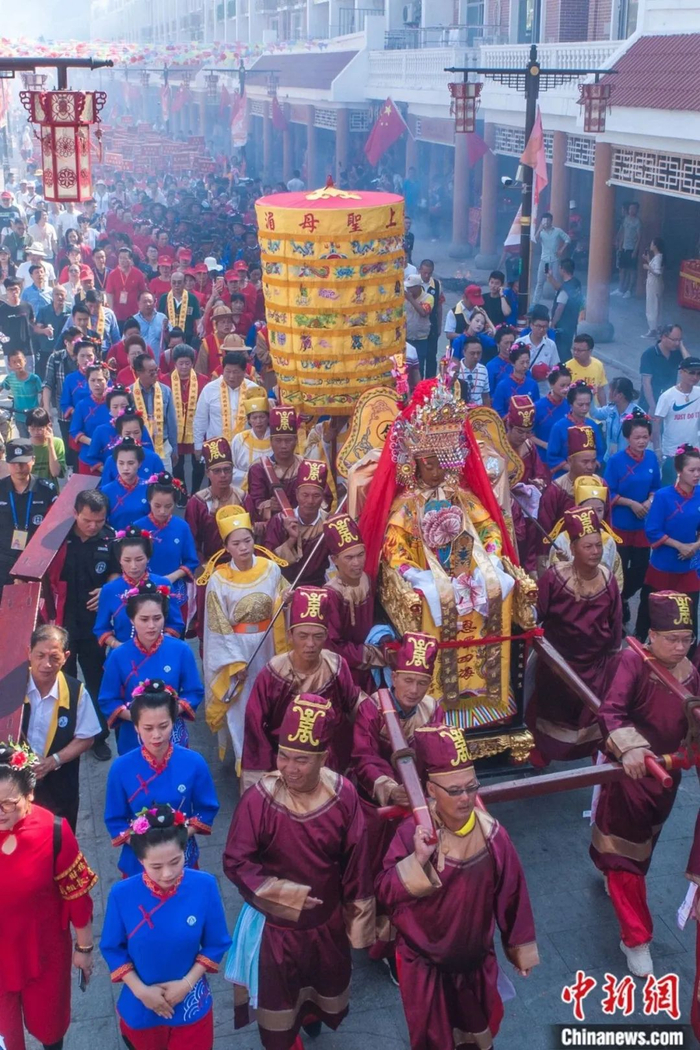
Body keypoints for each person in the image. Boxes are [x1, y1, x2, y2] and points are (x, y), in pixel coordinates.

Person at [223, 695, 374, 1049]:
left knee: (321, 985)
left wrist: (359, 922)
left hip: (326, 923)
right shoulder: (260, 799)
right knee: (278, 1011)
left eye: (302, 760)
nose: (290, 768)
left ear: (323, 759)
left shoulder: (343, 795)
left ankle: (311, 1017)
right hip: (277, 931)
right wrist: (284, 894)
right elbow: (236, 860)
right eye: (284, 756)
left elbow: (357, 862)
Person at [376, 726, 538, 1050]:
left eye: (470, 787)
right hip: (423, 964)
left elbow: (512, 891)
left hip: (475, 959)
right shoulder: (412, 833)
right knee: (432, 1038)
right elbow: (384, 891)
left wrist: (519, 948)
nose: (465, 798)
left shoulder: (492, 834)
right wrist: (417, 862)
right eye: (454, 790)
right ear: (430, 790)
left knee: (477, 1034)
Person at [591, 591, 698, 977]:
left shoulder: (691, 670)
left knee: (642, 847)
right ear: (652, 634)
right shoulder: (632, 661)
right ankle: (636, 938)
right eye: (672, 638)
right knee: (626, 856)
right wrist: (631, 749)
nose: (680, 646)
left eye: (687, 638)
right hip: (631, 777)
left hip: (668, 778)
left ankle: (612, 873)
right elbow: (611, 711)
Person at [100, 802, 231, 1050]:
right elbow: (112, 948)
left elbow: (216, 943)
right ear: (140, 860)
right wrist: (141, 991)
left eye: (176, 861)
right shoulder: (122, 893)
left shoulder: (204, 885)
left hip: (191, 1002)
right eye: (156, 867)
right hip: (141, 1006)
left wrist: (187, 984)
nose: (167, 874)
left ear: (185, 851)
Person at [0, 740, 97, 1050]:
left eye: (8, 803)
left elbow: (77, 895)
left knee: (50, 1031)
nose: (0, 812)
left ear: (29, 794)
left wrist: (84, 947)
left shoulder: (54, 832)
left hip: (44, 951)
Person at [352, 632, 442, 960]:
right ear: (393, 677)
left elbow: (439, 756)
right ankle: (378, 941)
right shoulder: (372, 708)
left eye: (421, 683)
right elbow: (363, 757)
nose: (413, 690)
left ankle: (406, 941)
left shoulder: (432, 709)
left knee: (417, 874)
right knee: (375, 871)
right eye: (407, 680)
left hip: (419, 810)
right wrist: (391, 790)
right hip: (377, 807)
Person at [241, 586, 364, 789]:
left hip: (328, 763)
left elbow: (353, 702)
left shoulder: (335, 665)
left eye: (318, 636)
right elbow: (255, 726)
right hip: (284, 765)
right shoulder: (273, 673)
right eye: (303, 635)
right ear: (290, 635)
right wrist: (261, 776)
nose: (310, 644)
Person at [528, 506, 622, 764]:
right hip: (558, 663)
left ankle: (596, 755)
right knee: (552, 710)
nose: (595, 552)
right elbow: (538, 614)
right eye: (588, 546)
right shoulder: (554, 578)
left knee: (592, 710)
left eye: (597, 546)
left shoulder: (607, 578)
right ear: (573, 548)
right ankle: (543, 753)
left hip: (595, 663)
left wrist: (614, 658)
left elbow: (615, 621)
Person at [202, 502, 288, 761]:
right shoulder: (219, 579)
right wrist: (233, 661)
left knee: (270, 698)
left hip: (268, 643)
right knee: (241, 706)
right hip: (237, 648)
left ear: (254, 539)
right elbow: (217, 624)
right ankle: (246, 759)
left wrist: (287, 599)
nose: (243, 548)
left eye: (247, 541)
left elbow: (280, 598)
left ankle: (272, 753)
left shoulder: (271, 568)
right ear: (226, 547)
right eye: (236, 543)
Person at [104, 682, 219, 877]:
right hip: (138, 863)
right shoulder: (120, 768)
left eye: (163, 726)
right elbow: (115, 820)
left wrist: (178, 837)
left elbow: (205, 810)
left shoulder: (194, 762)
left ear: (173, 722)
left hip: (183, 858)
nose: (156, 735)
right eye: (148, 728)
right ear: (136, 727)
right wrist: (146, 845)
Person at [45, 488, 114, 761]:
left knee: (96, 681)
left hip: (95, 626)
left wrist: (107, 589)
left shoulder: (110, 537)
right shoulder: (58, 537)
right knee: (64, 683)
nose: (93, 526)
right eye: (88, 520)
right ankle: (67, 736)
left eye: (99, 520)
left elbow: (119, 570)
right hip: (61, 623)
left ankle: (98, 737)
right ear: (75, 513)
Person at [99, 580, 203, 755]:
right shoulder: (118, 656)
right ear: (132, 619)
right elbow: (108, 700)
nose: (151, 625)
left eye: (157, 618)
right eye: (144, 619)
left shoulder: (180, 650)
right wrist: (142, 719)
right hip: (133, 735)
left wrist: (168, 714)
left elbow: (194, 692)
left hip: (172, 731)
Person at [21, 624, 102, 830]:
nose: (46, 664)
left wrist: (52, 761)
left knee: (58, 841)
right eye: (40, 655)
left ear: (66, 656)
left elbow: (87, 737)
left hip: (59, 788)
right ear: (28, 652)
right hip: (14, 788)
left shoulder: (76, 692)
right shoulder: (10, 686)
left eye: (54, 657)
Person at [604, 410, 660, 626]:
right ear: (627, 437)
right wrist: (631, 503)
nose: (642, 441)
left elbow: (656, 487)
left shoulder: (652, 458)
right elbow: (609, 491)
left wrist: (648, 502)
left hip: (642, 525)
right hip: (620, 524)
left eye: (645, 437)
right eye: (637, 437)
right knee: (618, 567)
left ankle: (622, 598)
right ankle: (616, 608)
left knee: (640, 569)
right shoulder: (617, 461)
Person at [639, 443, 700, 641]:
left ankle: (689, 664)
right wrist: (680, 545)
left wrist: (694, 546)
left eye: (699, 470)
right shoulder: (664, 496)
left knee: (689, 619)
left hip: (690, 567)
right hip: (663, 565)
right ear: (678, 471)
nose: (697, 474)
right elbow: (653, 530)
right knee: (653, 614)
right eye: (692, 470)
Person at [94, 525, 184, 651]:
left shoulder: (164, 584)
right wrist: (118, 646)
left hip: (159, 651)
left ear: (148, 558)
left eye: (139, 559)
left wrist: (160, 643)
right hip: (123, 654)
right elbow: (101, 628)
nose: (133, 566)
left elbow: (175, 623)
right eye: (127, 560)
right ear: (119, 560)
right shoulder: (109, 589)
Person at [323, 513, 387, 688]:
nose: (357, 563)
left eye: (360, 555)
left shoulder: (367, 579)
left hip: (371, 669)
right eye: (349, 558)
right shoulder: (331, 594)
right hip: (346, 672)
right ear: (334, 560)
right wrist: (375, 655)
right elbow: (333, 646)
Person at [134, 472, 198, 626]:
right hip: (144, 592)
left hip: (174, 590)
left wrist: (170, 578)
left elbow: (191, 561)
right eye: (157, 506)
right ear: (149, 501)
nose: (162, 511)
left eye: (168, 506)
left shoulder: (181, 527)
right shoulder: (137, 527)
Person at [537, 425, 604, 570]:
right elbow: (544, 528)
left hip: (594, 551)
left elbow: (606, 521)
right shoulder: (556, 489)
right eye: (585, 462)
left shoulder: (600, 484)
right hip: (563, 552)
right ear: (570, 461)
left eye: (593, 461)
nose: (590, 466)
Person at [0, 438, 57, 598]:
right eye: (14, 463)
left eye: (23, 462)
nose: (19, 467)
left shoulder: (46, 489)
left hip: (36, 562)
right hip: (4, 561)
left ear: (33, 460)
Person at [264, 459, 331, 588]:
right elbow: (268, 562)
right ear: (296, 494)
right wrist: (292, 539)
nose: (310, 501)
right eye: (305, 495)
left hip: (317, 586)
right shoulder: (279, 521)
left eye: (316, 496)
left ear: (322, 497)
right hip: (283, 586)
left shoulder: (329, 524)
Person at [185, 437, 246, 564]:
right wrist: (202, 565)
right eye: (217, 471)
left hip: (241, 562)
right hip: (209, 563)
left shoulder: (243, 498)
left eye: (227, 470)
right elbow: (191, 540)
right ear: (207, 473)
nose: (223, 475)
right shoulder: (197, 502)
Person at [506, 395, 550, 572]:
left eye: (528, 432)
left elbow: (540, 472)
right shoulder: (496, 446)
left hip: (526, 507)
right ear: (509, 426)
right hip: (505, 507)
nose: (524, 436)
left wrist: (538, 482)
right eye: (519, 431)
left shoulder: (529, 447)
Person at [161, 344, 208, 491]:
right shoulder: (164, 380)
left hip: (197, 429)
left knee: (198, 463)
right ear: (174, 363)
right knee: (177, 464)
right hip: (175, 429)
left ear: (192, 363)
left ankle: (195, 492)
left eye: (188, 363)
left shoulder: (203, 381)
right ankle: (182, 492)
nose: (184, 367)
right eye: (180, 363)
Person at [193, 351, 259, 454]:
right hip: (216, 446)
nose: (231, 376)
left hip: (246, 447)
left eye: (236, 372)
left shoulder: (254, 389)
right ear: (223, 370)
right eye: (228, 371)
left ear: (244, 371)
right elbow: (200, 419)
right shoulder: (210, 389)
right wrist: (198, 445)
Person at [652, 356, 700, 484]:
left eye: (698, 373)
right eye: (691, 373)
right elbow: (656, 423)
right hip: (672, 454)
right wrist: (657, 449)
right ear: (681, 372)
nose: (695, 377)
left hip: (694, 453)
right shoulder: (668, 396)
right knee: (671, 489)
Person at [546, 381, 606, 476]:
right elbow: (552, 456)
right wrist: (573, 469)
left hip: (588, 475)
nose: (584, 408)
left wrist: (593, 464)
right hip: (564, 476)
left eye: (587, 404)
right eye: (580, 405)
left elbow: (600, 452)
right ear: (570, 404)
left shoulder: (593, 426)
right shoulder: (559, 427)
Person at [131, 353, 179, 469]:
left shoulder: (165, 391)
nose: (155, 374)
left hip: (162, 446)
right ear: (139, 373)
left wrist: (174, 449)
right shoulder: (129, 393)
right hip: (138, 448)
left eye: (156, 370)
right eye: (151, 372)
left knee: (165, 483)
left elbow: (172, 423)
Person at [100, 412, 163, 486]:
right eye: (127, 434)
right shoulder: (111, 460)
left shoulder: (153, 458)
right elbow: (104, 490)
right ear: (120, 434)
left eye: (136, 433)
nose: (132, 437)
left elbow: (161, 488)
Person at [102, 437, 151, 531]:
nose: (125, 468)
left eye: (131, 463)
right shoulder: (106, 491)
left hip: (144, 540)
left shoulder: (149, 487)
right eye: (121, 463)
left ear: (140, 463)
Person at [590, 376, 642, 462]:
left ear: (619, 395)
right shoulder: (610, 409)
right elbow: (595, 413)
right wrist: (590, 396)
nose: (608, 392)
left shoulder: (637, 414)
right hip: (609, 459)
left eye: (610, 390)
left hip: (627, 461)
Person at [639, 323, 687, 414]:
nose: (677, 343)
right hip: (649, 403)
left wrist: (682, 346)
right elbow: (646, 383)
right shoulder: (649, 354)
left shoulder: (676, 353)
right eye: (674, 340)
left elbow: (690, 365)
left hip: (668, 401)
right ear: (663, 337)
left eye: (679, 340)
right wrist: (652, 406)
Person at [229, 389, 271, 489]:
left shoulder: (275, 438)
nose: (258, 421)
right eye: (254, 418)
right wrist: (252, 477)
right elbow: (231, 467)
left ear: (268, 418)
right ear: (248, 420)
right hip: (243, 486)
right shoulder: (240, 439)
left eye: (262, 417)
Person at [532, 211, 570, 305]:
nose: (546, 222)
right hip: (544, 260)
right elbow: (535, 240)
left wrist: (561, 250)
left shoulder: (557, 231)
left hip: (554, 260)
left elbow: (567, 239)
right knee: (540, 282)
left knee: (556, 281)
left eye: (548, 220)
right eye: (544, 221)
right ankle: (535, 303)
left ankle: (558, 302)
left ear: (551, 221)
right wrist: (539, 228)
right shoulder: (541, 232)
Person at [549, 257, 583, 362]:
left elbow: (560, 307)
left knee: (562, 351)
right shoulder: (576, 283)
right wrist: (550, 278)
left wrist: (553, 323)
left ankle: (566, 370)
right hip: (572, 321)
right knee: (567, 346)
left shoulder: (565, 289)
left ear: (562, 270)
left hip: (563, 324)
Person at [492, 343, 539, 417]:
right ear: (513, 363)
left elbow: (536, 407)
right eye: (522, 362)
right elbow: (497, 410)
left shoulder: (533, 384)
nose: (525, 366)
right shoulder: (502, 385)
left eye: (527, 362)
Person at [105, 246, 148, 326]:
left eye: (125, 258)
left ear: (131, 260)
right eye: (120, 258)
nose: (122, 260)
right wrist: (111, 312)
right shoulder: (112, 274)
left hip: (134, 314)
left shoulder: (138, 274)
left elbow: (143, 292)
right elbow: (109, 294)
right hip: (118, 315)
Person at [157, 269, 201, 345]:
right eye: (174, 282)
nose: (176, 285)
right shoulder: (164, 298)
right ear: (170, 283)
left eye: (179, 282)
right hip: (168, 339)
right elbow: (159, 319)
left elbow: (197, 320)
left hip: (188, 339)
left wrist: (199, 333)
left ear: (184, 283)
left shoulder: (192, 298)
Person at [516, 305, 559, 382]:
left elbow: (555, 367)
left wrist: (548, 373)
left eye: (545, 327)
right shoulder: (520, 342)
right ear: (531, 325)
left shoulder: (551, 345)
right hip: (523, 384)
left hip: (543, 388)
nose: (542, 329)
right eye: (538, 326)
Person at [566, 334, 608, 406]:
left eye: (579, 350)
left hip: (593, 414)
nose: (575, 353)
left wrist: (604, 411)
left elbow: (600, 390)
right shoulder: (567, 367)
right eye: (574, 349)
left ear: (590, 351)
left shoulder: (598, 365)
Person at [448, 335, 490, 406]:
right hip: (459, 410)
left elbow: (485, 395)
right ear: (464, 352)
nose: (476, 356)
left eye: (478, 353)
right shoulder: (455, 369)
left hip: (478, 412)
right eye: (472, 353)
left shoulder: (483, 369)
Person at [404, 273, 432, 379]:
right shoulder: (404, 297)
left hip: (420, 339)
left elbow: (423, 312)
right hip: (406, 338)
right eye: (408, 287)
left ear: (418, 287)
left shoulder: (429, 298)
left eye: (411, 287)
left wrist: (411, 299)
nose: (409, 289)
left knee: (418, 368)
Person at [419, 259, 443, 379]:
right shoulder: (414, 284)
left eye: (429, 273)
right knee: (419, 358)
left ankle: (430, 384)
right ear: (420, 271)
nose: (427, 276)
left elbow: (439, 307)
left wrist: (439, 326)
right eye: (424, 273)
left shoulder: (437, 285)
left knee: (431, 356)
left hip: (432, 325)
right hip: (418, 326)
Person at [26, 406, 65, 480]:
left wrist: (50, 445)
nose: (36, 432)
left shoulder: (57, 443)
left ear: (48, 426)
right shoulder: (25, 446)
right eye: (32, 429)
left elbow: (55, 473)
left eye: (40, 429)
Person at [613, 201, 641, 299]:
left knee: (631, 270)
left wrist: (635, 251)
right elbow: (623, 233)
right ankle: (621, 289)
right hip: (624, 248)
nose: (631, 210)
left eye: (633, 208)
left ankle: (629, 290)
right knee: (622, 269)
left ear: (637, 210)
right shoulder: (626, 219)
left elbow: (639, 238)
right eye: (630, 208)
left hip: (632, 249)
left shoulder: (637, 222)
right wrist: (620, 245)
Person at [134, 290, 167, 361]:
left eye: (150, 301)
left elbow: (169, 340)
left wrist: (166, 329)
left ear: (154, 303)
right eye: (144, 302)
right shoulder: (133, 320)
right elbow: (126, 341)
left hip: (158, 361)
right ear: (138, 303)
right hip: (139, 361)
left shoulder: (162, 318)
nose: (148, 304)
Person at [485, 325, 517, 395]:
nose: (509, 346)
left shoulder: (519, 362)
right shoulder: (491, 366)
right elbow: (489, 392)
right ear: (498, 344)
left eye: (512, 343)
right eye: (506, 343)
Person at [643, 237, 665, 338]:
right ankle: (656, 327)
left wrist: (648, 267)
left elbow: (657, 272)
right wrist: (648, 260)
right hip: (654, 283)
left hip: (654, 284)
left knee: (652, 304)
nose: (651, 245)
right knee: (655, 304)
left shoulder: (659, 257)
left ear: (655, 246)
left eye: (652, 243)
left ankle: (653, 329)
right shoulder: (657, 257)